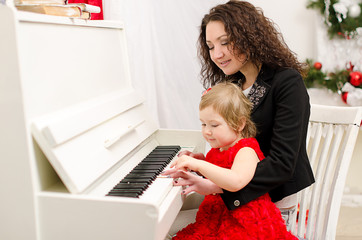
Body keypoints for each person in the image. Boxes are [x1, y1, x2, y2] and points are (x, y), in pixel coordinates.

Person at [166, 0, 315, 232]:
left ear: (250, 36)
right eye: (210, 46)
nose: (217, 54)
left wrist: (215, 185)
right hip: (234, 195)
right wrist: (203, 163)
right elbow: (233, 145)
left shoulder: (287, 82)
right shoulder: (233, 82)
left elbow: (282, 164)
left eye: (225, 42)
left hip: (270, 204)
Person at [165, 82, 296, 239]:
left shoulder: (246, 150)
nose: (206, 131)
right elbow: (219, 173)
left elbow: (235, 181)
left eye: (214, 125)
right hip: (219, 216)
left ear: (240, 124)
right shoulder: (219, 150)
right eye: (203, 124)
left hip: (245, 224)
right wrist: (199, 163)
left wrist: (200, 165)